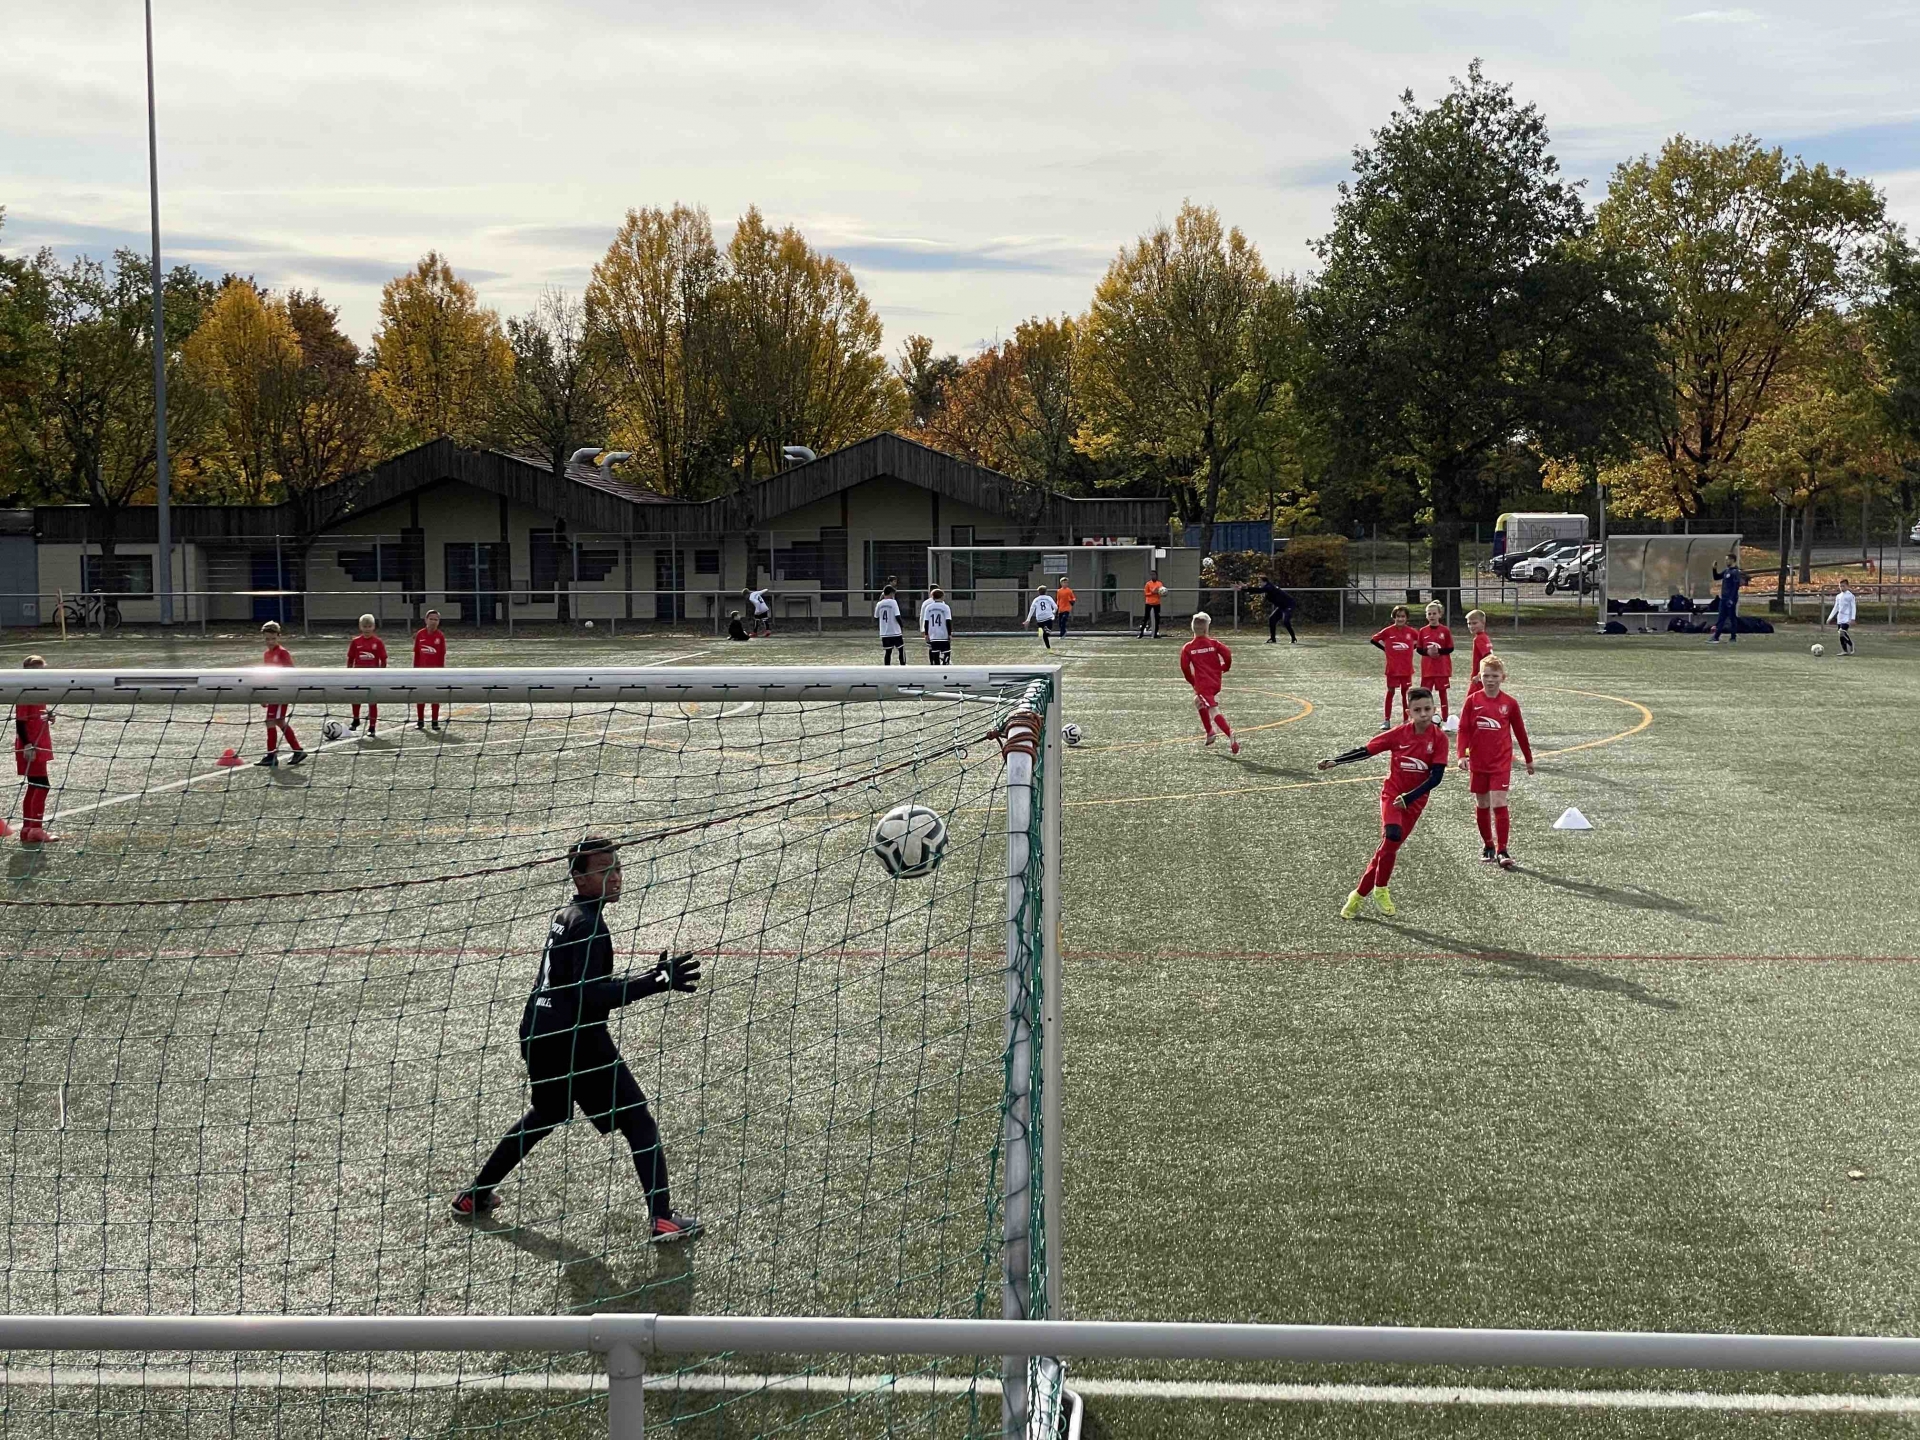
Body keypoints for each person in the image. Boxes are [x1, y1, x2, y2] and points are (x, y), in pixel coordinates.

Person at [452, 836, 704, 1241]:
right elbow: (590, 994)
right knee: (638, 1120)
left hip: (538, 1032)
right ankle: (662, 1219)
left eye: (617, 867)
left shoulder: (567, 916)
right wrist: (656, 981)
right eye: (603, 870)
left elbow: (575, 985)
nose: (615, 877)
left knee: (546, 1113)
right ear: (579, 878)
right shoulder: (590, 925)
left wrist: (646, 977)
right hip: (576, 1040)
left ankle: (474, 1194)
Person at [1317, 686, 1449, 918]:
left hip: (1414, 801)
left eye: (1427, 709)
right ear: (1409, 712)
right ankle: (1381, 888)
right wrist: (1336, 761)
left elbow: (1436, 778)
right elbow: (1367, 750)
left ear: (1434, 709)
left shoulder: (1439, 739)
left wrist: (1409, 798)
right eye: (1417, 710)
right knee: (1392, 835)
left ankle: (1358, 896)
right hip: (1392, 794)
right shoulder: (1398, 734)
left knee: (1388, 848)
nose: (1423, 714)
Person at [1456, 654, 1533, 869]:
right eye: (1486, 676)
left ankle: (1502, 850)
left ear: (1503, 678)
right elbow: (1463, 729)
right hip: (1478, 762)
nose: (1490, 680)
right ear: (1479, 677)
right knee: (1482, 804)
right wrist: (1461, 755)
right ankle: (1488, 845)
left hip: (1501, 762)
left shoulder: (1510, 703)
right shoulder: (1472, 701)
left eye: (1494, 676)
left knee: (1499, 802)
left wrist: (1528, 759)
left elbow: (1520, 732)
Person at [1179, 611, 1238, 755]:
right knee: (1198, 701)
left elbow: (1185, 668)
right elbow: (1227, 654)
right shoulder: (1214, 644)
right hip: (1215, 682)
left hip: (1203, 684)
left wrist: (1193, 682)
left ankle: (1230, 734)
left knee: (1213, 709)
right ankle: (1210, 732)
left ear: (1192, 629)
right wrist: (1225, 667)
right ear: (1206, 629)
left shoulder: (1188, 648)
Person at [13, 654, 56, 844]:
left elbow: (34, 716)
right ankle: (36, 829)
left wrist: (48, 717)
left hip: (39, 744)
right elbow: (20, 721)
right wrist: (28, 745)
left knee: (34, 785)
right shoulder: (25, 692)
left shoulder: (38, 691)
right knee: (42, 785)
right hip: (31, 746)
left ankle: (27, 830)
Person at [257, 622, 307, 768]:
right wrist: (265, 695)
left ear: (278, 637)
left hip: (281, 693)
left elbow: (291, 672)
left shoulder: (283, 653)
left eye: (273, 638)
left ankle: (271, 755)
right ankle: (297, 750)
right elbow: (267, 676)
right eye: (267, 639)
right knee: (279, 721)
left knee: (270, 721)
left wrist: (288, 691)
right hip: (273, 692)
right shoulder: (267, 654)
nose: (270, 642)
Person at [1370, 604, 1419, 730]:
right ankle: (1386, 720)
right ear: (1394, 617)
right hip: (1392, 669)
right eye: (1398, 616)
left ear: (1406, 618)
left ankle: (1406, 720)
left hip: (1406, 669)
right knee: (1390, 692)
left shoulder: (1411, 632)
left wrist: (1411, 648)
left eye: (1403, 616)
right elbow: (1374, 640)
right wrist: (1386, 649)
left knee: (1405, 694)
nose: (1400, 619)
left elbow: (1421, 641)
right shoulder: (1387, 631)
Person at [346, 614, 387, 735]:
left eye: (369, 626)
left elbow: (383, 659)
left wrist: (381, 673)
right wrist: (349, 672)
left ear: (373, 627)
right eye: (365, 626)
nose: (367, 629)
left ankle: (372, 726)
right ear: (360, 627)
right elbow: (350, 658)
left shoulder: (378, 642)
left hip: (372, 676)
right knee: (355, 698)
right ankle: (356, 720)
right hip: (358, 675)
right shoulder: (355, 642)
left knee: (372, 701)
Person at [1415, 601, 1456, 723]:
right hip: (1427, 669)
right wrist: (1427, 652)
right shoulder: (1423, 631)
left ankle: (1445, 719)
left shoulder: (1445, 630)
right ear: (1426, 616)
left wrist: (1438, 651)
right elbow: (1419, 649)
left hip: (1442, 669)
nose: (1432, 616)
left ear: (1440, 614)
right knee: (1425, 695)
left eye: (1434, 613)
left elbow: (1450, 648)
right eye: (1429, 614)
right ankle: (1425, 718)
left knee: (1443, 694)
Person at [413, 609, 448, 730]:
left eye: (436, 620)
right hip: (421, 672)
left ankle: (435, 721)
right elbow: (417, 654)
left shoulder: (440, 636)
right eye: (431, 619)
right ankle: (420, 721)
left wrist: (440, 672)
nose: (433, 622)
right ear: (426, 620)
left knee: (435, 697)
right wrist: (415, 671)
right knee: (420, 696)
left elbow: (442, 655)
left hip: (435, 672)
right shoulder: (420, 634)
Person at [1708, 553, 1747, 643]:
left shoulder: (1735, 572)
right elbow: (1716, 577)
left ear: (1732, 560)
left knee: (1732, 617)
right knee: (1721, 617)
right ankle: (1716, 637)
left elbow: (1735, 586)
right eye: (1726, 560)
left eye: (1727, 560)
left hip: (1730, 599)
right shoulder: (1726, 571)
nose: (1726, 561)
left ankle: (1733, 637)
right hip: (1724, 598)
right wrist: (1714, 569)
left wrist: (1732, 599)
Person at [1250, 575, 1296, 644]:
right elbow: (1259, 590)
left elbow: (1258, 590)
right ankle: (1273, 639)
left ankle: (1293, 638)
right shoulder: (1267, 588)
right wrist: (1243, 588)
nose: (1259, 584)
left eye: (1260, 582)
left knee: (1286, 621)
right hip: (1281, 606)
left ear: (1265, 582)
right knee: (1272, 619)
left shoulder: (1269, 587)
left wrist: (1245, 588)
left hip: (1288, 605)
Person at [1463, 610, 1493, 695]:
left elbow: (1488, 658)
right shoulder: (1485, 637)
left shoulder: (1479, 639)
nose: (1471, 626)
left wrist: (1479, 675)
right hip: (1484, 677)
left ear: (1483, 623)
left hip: (1479, 679)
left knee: (1470, 701)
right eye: (1469, 623)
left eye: (1474, 623)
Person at [1825, 579, 1858, 656]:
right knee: (1841, 635)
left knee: (1842, 631)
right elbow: (1836, 607)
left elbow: (1853, 607)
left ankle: (1851, 644)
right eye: (1840, 586)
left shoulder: (1850, 596)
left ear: (1847, 586)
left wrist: (1853, 618)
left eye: (1843, 586)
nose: (1841, 588)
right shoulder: (1838, 596)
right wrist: (1830, 617)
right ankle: (1845, 650)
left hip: (1847, 618)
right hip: (1840, 617)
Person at [922, 586, 953, 664]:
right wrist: (949, 634)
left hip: (933, 635)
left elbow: (926, 622)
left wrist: (926, 634)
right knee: (946, 655)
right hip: (943, 635)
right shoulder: (945, 607)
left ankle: (936, 668)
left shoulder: (928, 607)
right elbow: (948, 621)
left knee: (935, 657)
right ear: (942, 597)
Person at [875, 584, 905, 664]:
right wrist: (902, 626)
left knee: (888, 652)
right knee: (901, 649)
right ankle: (903, 665)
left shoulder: (879, 604)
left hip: (885, 632)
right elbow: (897, 616)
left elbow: (876, 616)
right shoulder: (893, 602)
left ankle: (887, 667)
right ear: (891, 593)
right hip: (895, 631)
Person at [1024, 585, 1057, 650]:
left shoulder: (1036, 599)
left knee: (1044, 630)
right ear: (1046, 592)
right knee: (1047, 633)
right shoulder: (1048, 598)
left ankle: (1041, 629)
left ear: (1038, 592)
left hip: (1039, 619)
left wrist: (1028, 620)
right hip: (1048, 617)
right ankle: (1048, 647)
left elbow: (1032, 609)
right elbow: (1055, 607)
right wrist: (1053, 612)